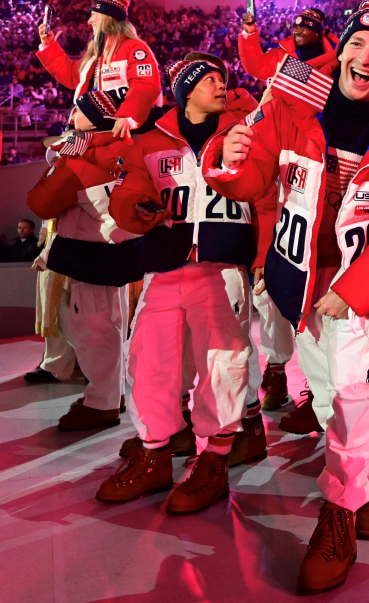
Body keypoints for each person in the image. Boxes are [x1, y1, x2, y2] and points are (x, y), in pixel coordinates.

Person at [205, 1, 369, 593]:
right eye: (359, 45)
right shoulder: (292, 100)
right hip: (300, 278)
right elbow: (254, 174)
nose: (365, 58)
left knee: (355, 401)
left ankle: (338, 514)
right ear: (342, 51)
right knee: (334, 394)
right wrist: (228, 160)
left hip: (361, 290)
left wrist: (354, 292)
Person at [97, 55, 262, 513]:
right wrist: (138, 210)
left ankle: (215, 458)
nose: (220, 85)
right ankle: (154, 453)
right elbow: (127, 194)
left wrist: (264, 256)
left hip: (223, 266)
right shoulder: (151, 139)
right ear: (187, 89)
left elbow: (265, 194)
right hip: (165, 266)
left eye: (223, 80)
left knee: (222, 363)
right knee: (148, 359)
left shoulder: (244, 130)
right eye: (210, 79)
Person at [26, 89, 142, 431]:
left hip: (90, 256)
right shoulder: (129, 148)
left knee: (92, 331)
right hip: (121, 253)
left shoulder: (79, 158)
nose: (72, 117)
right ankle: (112, 394)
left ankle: (101, 403)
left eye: (79, 111)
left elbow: (40, 203)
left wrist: (58, 164)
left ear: (94, 119)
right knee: (113, 327)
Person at [37, 0, 161, 140]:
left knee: (83, 124)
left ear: (107, 18)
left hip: (123, 130)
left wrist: (128, 116)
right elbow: (70, 76)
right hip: (100, 130)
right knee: (79, 126)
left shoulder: (134, 48)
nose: (89, 21)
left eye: (93, 15)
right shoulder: (96, 54)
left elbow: (145, 85)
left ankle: (73, 140)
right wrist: (49, 46)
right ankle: (71, 140)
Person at [239, 6, 337, 81]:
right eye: (296, 28)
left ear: (316, 32)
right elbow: (258, 69)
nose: (297, 32)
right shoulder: (283, 54)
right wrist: (249, 34)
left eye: (303, 28)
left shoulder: (339, 53)